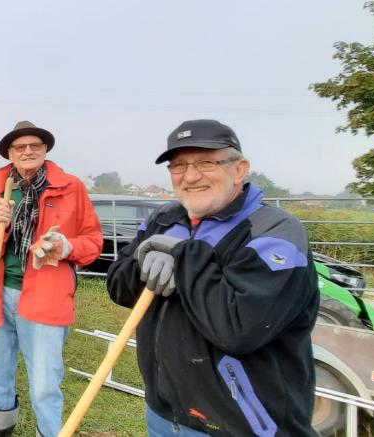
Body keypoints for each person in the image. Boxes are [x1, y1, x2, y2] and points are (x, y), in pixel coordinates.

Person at [105, 119, 319, 436]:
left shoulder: (274, 233)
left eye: (207, 162)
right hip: (164, 413)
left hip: (241, 425)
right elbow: (119, 288)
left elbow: (238, 330)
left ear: (240, 169)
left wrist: (184, 258)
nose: (190, 177)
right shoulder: (164, 218)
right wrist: (142, 259)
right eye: (178, 166)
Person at [0, 121, 102, 436]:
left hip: (46, 298)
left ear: (45, 150)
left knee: (43, 384)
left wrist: (67, 246)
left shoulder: (71, 188)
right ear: (10, 154)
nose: (27, 151)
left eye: (34, 146)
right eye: (20, 147)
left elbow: (93, 242)